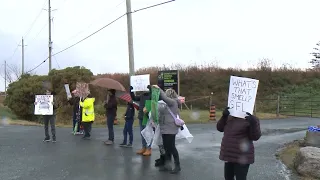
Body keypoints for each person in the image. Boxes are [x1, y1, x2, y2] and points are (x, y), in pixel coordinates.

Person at [216, 107, 261, 180]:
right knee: (228, 178)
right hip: (229, 154)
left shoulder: (251, 120)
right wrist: (224, 116)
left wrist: (253, 124)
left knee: (240, 178)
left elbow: (255, 137)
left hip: (242, 156)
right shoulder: (229, 117)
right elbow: (219, 128)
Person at [153, 85, 181, 174]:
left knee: (172, 147)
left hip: (170, 129)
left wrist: (158, 89)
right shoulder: (167, 104)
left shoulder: (173, 102)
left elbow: (164, 98)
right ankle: (167, 165)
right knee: (166, 148)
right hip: (165, 129)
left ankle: (178, 166)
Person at [130, 85, 152, 156]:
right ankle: (144, 147)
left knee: (147, 133)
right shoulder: (142, 95)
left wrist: (150, 89)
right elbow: (134, 98)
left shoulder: (150, 96)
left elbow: (155, 98)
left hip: (147, 117)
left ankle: (149, 148)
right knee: (142, 133)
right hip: (141, 116)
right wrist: (131, 91)